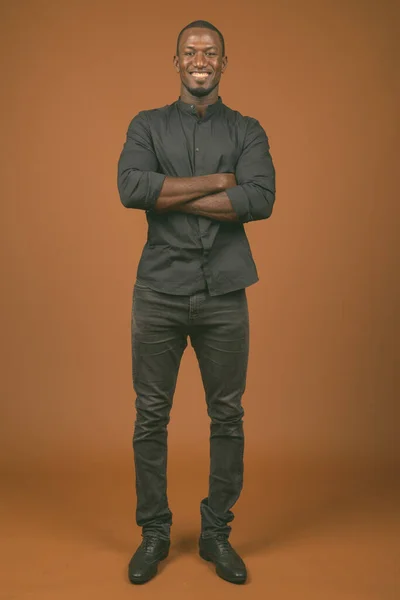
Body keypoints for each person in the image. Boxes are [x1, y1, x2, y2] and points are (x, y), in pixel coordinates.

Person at [117, 19, 275, 585]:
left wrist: (172, 194)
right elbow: (132, 188)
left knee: (227, 415)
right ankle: (154, 533)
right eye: (190, 51)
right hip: (157, 290)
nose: (200, 59)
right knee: (149, 417)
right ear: (176, 61)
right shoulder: (146, 124)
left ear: (223, 63)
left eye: (210, 52)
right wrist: (216, 183)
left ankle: (216, 534)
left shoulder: (248, 129)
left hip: (225, 293)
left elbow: (259, 198)